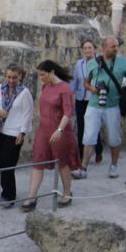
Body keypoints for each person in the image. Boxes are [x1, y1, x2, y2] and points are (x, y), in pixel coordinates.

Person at [19, 61, 80, 211]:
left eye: (43, 74)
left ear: (52, 72)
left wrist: (59, 130)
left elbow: (68, 112)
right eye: (39, 74)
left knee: (62, 163)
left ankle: (67, 193)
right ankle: (31, 197)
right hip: (44, 130)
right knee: (38, 161)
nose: (41, 78)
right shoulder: (46, 86)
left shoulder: (65, 89)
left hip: (60, 131)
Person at [79, 36, 126, 179]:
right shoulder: (93, 63)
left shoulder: (124, 62)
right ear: (104, 47)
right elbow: (86, 83)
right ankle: (83, 168)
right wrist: (93, 90)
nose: (116, 49)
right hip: (94, 105)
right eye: (113, 46)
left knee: (114, 138)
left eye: (117, 46)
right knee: (89, 137)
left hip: (113, 105)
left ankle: (114, 166)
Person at [0, 64, 34, 207]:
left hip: (14, 133)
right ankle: (5, 191)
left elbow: (27, 114)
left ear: (20, 76)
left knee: (8, 164)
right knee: (1, 164)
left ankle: (9, 195)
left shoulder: (24, 93)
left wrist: (22, 132)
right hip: (0, 131)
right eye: (9, 77)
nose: (11, 80)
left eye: (14, 77)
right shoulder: (0, 89)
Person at [71, 39, 103, 172]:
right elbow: (75, 80)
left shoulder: (100, 63)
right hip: (80, 98)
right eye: (85, 48)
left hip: (93, 99)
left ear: (94, 49)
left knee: (94, 126)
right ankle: (80, 155)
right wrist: (70, 91)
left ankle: (98, 149)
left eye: (90, 48)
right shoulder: (79, 63)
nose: (87, 50)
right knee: (81, 126)